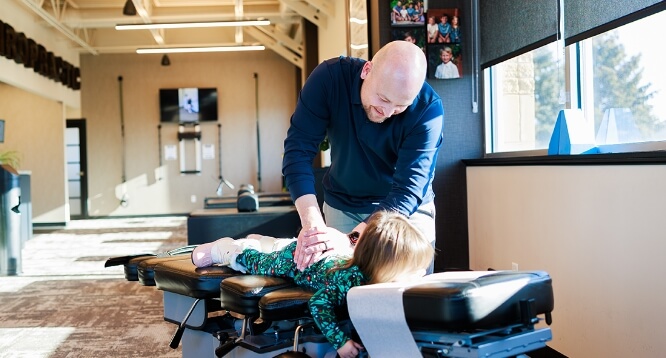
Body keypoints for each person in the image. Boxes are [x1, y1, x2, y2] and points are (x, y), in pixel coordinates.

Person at [282, 40, 444, 273]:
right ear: (366, 70)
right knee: (340, 290)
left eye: (401, 106)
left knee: (408, 296)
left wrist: (352, 240)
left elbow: (409, 190)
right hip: (344, 204)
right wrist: (313, 226)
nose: (388, 113)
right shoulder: (329, 79)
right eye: (384, 99)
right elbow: (298, 151)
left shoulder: (428, 110)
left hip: (404, 213)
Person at [191, 211, 435, 358]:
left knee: (277, 246)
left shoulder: (375, 276)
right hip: (295, 263)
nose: (420, 273)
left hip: (321, 254)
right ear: (385, 265)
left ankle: (263, 241)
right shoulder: (346, 281)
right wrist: (341, 341)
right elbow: (319, 303)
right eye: (412, 269)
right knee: (255, 261)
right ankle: (225, 249)